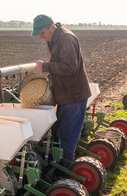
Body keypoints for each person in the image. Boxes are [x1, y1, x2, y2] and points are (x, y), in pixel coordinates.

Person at [31, 14, 91, 162]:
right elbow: (61, 65)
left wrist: (45, 66)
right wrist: (51, 76)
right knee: (56, 133)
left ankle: (65, 175)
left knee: (66, 137)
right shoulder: (54, 38)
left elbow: (70, 67)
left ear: (51, 26)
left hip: (74, 96)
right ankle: (60, 170)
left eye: (42, 33)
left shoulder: (65, 38)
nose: (41, 37)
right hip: (66, 96)